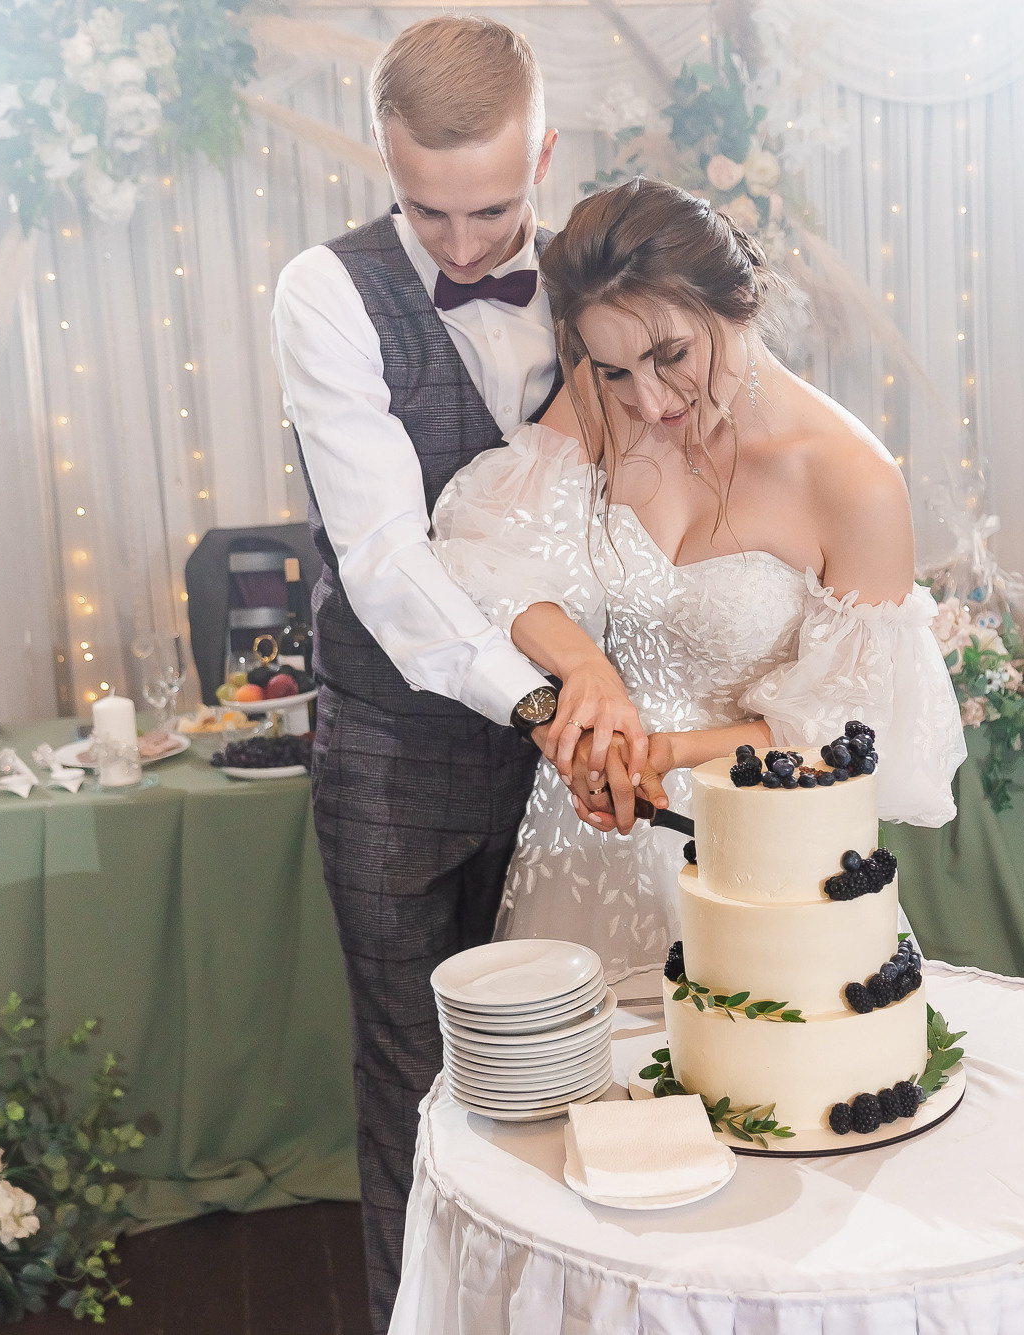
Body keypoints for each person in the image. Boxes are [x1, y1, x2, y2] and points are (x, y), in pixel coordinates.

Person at [269, 17, 642, 1328]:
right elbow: (386, 557)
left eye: (496, 207)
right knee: (415, 1084)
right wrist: (545, 697)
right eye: (433, 214)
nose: (470, 245)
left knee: (572, 1072)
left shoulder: (602, 273)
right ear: (386, 156)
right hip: (396, 757)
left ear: (544, 151)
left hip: (572, 767)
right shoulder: (325, 290)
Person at [433, 177, 970, 984]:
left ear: (739, 303)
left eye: (670, 356)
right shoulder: (600, 401)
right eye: (614, 370)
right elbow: (483, 540)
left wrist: (667, 753)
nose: (646, 401)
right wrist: (586, 669)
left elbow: (843, 734)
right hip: (583, 834)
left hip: (750, 846)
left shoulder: (852, 481)